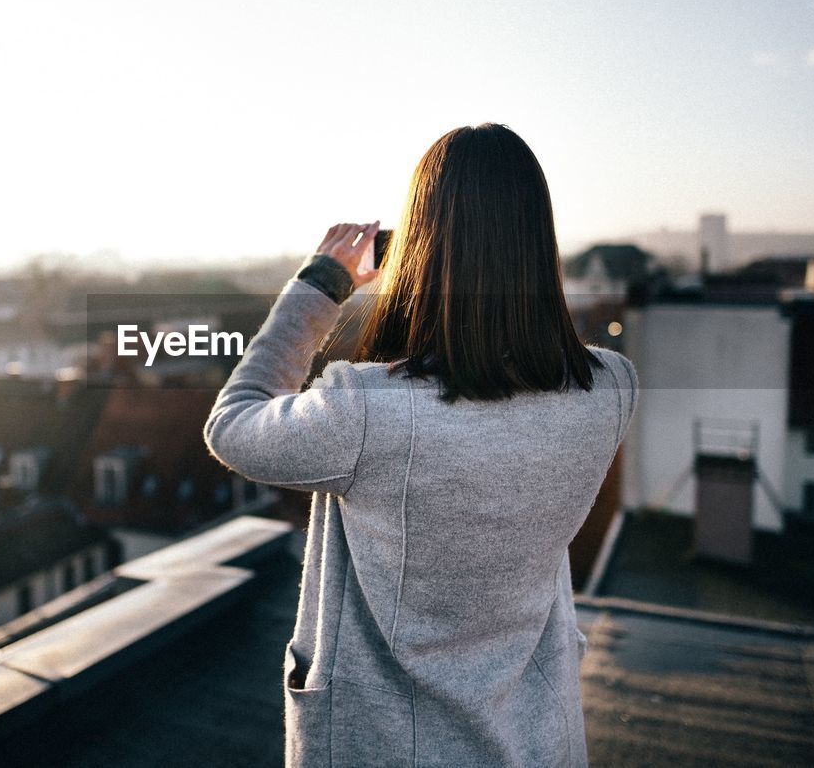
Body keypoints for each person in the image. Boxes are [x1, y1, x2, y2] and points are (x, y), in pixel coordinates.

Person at [203, 123, 638, 768]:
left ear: (422, 248)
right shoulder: (612, 388)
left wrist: (318, 288)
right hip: (538, 740)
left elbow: (232, 425)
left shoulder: (368, 409)